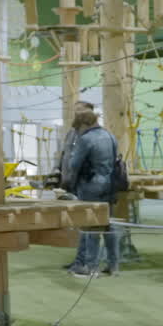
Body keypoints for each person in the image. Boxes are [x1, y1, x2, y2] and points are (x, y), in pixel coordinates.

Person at [62, 109, 121, 277]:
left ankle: (90, 266)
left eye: (78, 128)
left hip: (91, 185)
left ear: (84, 124)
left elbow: (74, 164)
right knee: (109, 226)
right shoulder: (110, 136)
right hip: (110, 184)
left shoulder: (86, 139)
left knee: (90, 226)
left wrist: (70, 183)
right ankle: (113, 265)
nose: (78, 132)